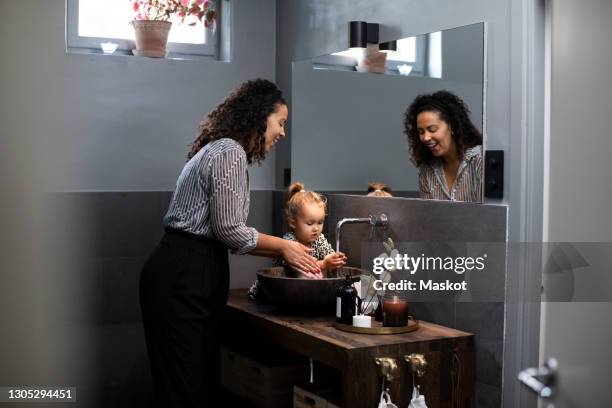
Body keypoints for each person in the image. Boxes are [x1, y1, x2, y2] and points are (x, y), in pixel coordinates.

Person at [139, 79, 321, 407]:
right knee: (187, 391)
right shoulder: (229, 151)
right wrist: (284, 246)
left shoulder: (221, 149)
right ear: (259, 116)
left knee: (186, 387)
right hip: (185, 274)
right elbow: (229, 231)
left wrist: (285, 248)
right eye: (280, 123)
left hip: (184, 271)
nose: (282, 132)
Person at [248, 182, 347, 299]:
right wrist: (325, 264)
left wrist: (335, 259)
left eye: (320, 222)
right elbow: (300, 270)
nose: (316, 228)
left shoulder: (319, 240)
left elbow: (329, 255)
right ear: (292, 223)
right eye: (310, 223)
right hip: (272, 292)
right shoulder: (289, 242)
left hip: (302, 291)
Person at [403, 90, 483, 202]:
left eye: (432, 129)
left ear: (452, 126)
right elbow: (429, 216)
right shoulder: (427, 171)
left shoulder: (479, 161)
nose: (426, 137)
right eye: (421, 132)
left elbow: (488, 215)